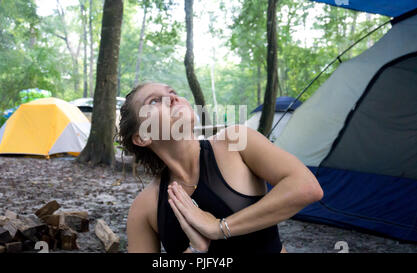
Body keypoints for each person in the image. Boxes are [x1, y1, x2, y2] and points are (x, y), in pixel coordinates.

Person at [121, 82, 323, 253]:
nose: (172, 98)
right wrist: (194, 249)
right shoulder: (145, 208)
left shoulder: (235, 143)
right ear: (142, 137)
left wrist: (218, 228)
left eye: (172, 92)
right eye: (154, 101)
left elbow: (306, 187)